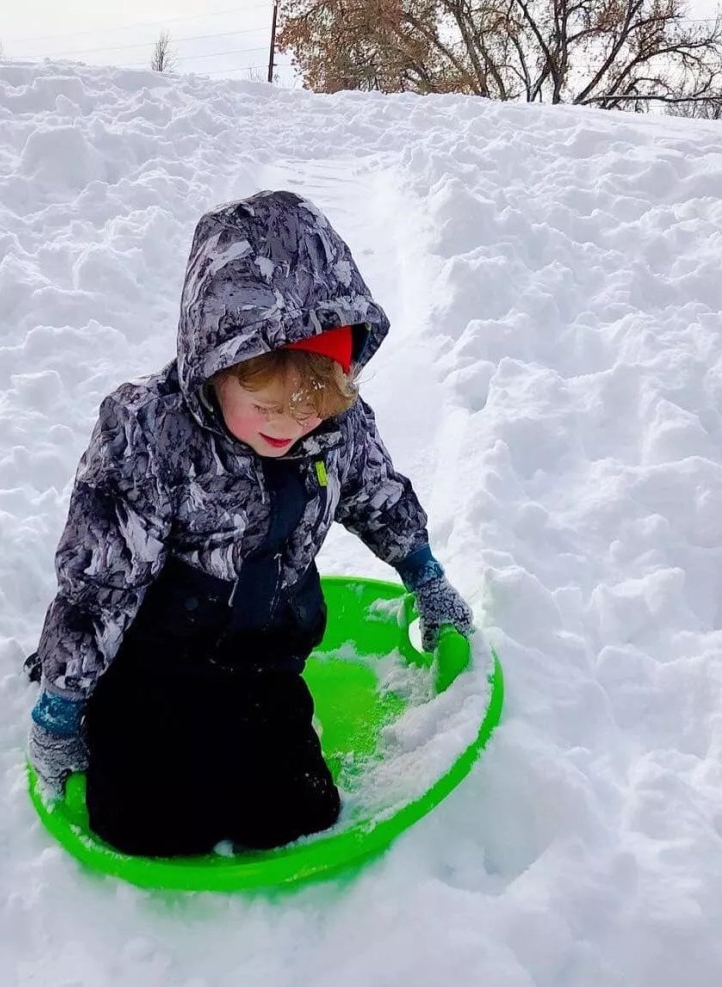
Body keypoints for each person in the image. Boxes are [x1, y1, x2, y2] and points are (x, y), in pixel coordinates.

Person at [24, 189, 473, 857]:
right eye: (265, 404)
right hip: (152, 662)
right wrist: (62, 704)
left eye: (312, 407)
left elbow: (379, 495)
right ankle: (120, 730)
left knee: (297, 815)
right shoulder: (151, 434)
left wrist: (426, 575)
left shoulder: (336, 425)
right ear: (215, 365)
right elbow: (102, 581)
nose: (291, 427)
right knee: (147, 829)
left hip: (264, 659)